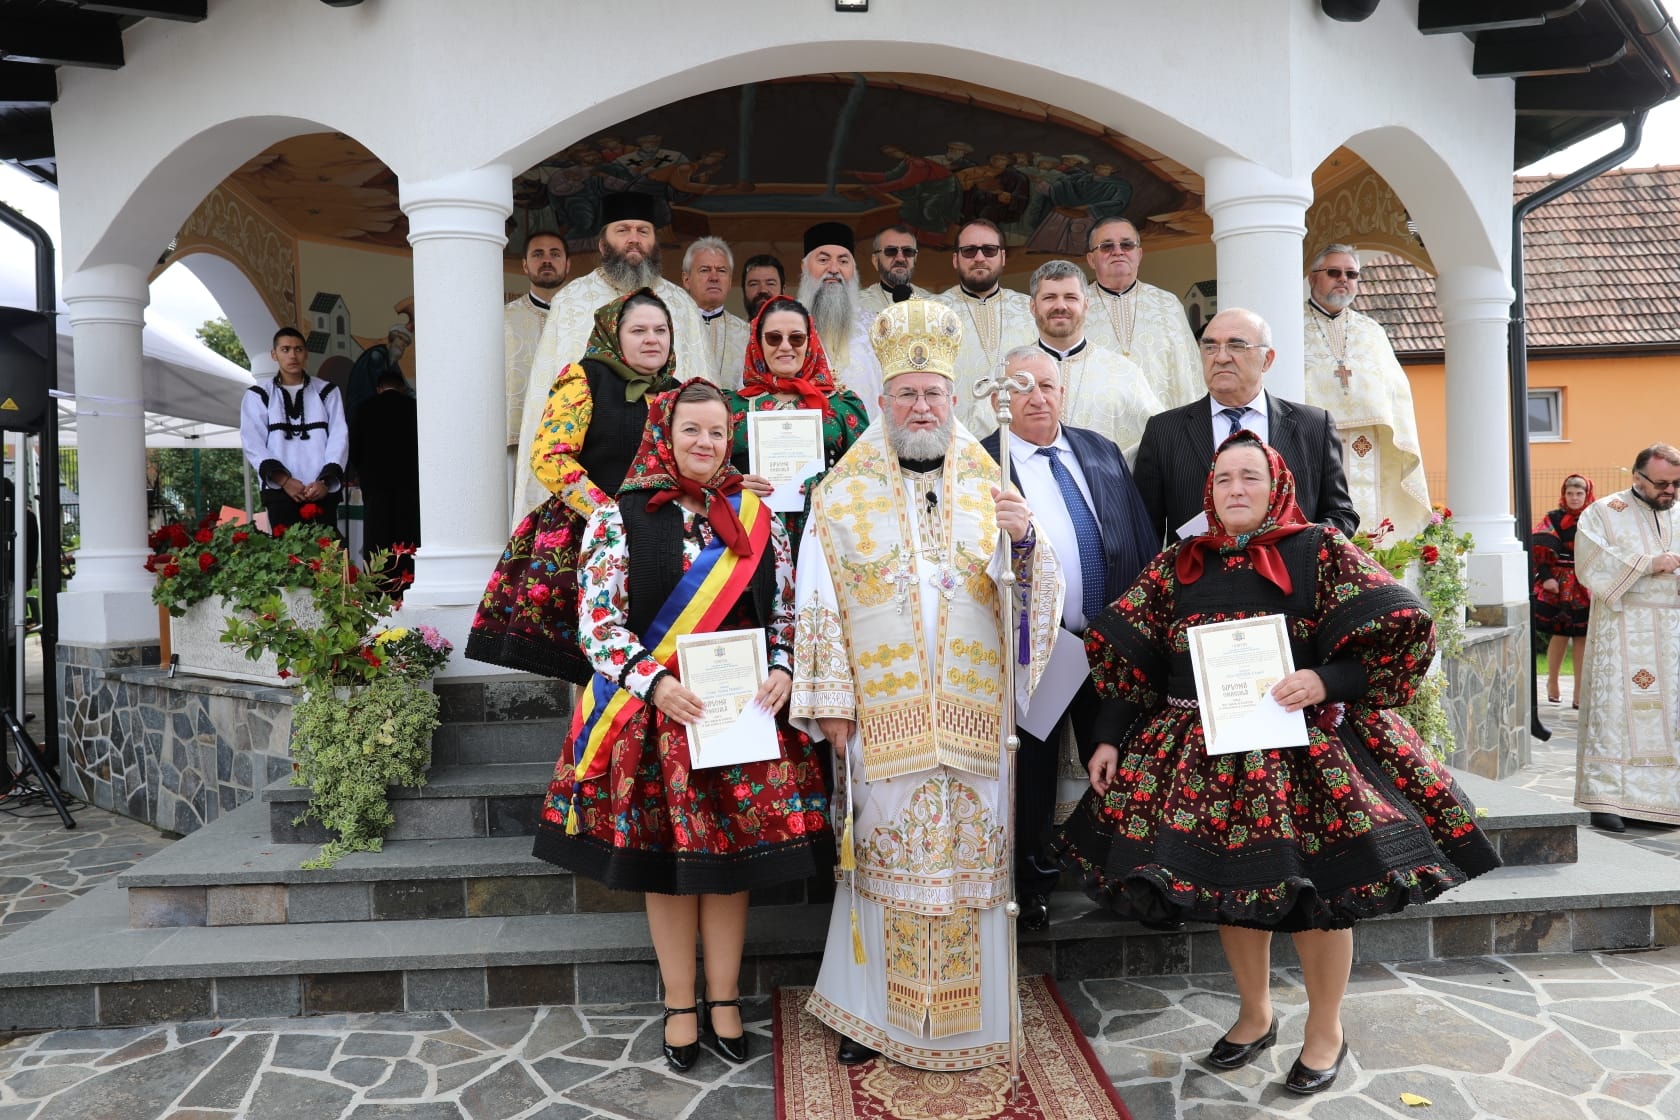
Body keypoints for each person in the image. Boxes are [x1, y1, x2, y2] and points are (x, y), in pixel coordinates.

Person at [1054, 431, 1499, 1095]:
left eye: (1249, 478)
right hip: (1204, 753)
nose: (1236, 489)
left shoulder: (1319, 549)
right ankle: (1256, 1014)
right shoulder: (1179, 562)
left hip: (1308, 750)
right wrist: (1110, 736)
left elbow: (1396, 634)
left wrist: (1325, 681)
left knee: (1318, 900)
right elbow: (1131, 661)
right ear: (1210, 491)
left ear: (1276, 487)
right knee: (1234, 890)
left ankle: (1325, 1030)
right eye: (1224, 479)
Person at [790, 299, 1066, 1071]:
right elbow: (815, 598)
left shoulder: (995, 482)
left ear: (953, 400)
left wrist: (1026, 541)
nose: (921, 406)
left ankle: (971, 1020)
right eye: (907, 393)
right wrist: (832, 706)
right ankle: (870, 1014)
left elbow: (1037, 599)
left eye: (933, 394)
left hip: (976, 720)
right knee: (882, 861)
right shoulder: (840, 495)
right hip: (884, 719)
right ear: (882, 402)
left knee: (969, 865)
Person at [532, 380, 832, 1073]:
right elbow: (597, 625)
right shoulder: (619, 515)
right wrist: (656, 682)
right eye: (691, 431)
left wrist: (784, 666)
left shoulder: (757, 517)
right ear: (665, 435)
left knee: (730, 866)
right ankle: (678, 1002)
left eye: (717, 433)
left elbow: (787, 611)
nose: (704, 444)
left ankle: (724, 999)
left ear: (732, 440)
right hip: (659, 720)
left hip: (742, 719)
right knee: (668, 870)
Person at [978, 346, 1158, 931]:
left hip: (1110, 639)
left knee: (1124, 762)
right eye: (1022, 387)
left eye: (1047, 385)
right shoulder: (983, 461)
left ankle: (1133, 880)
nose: (1037, 397)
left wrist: (1142, 622)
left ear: (1063, 390)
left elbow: (1133, 531)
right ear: (1001, 395)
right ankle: (1031, 887)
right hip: (1036, 647)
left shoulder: (1099, 450)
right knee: (1031, 771)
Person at [467, 290, 681, 683]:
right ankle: (584, 744)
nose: (652, 338)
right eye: (638, 330)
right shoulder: (584, 377)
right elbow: (550, 456)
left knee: (655, 655)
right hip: (592, 535)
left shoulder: (678, 392)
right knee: (597, 660)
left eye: (660, 329)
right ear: (615, 336)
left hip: (660, 536)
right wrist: (608, 512)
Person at [512, 192, 707, 517]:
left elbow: (701, 388)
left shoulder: (681, 304)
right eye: (623, 230)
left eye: (643, 231)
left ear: (655, 241)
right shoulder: (572, 299)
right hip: (592, 473)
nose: (634, 239)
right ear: (603, 243)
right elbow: (546, 397)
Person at [1133, 307, 1359, 545]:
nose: (1220, 357)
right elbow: (1144, 528)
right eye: (1210, 347)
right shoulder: (1164, 431)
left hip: (1289, 578)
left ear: (1267, 359)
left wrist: (1301, 549)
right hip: (1199, 578)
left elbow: (1340, 514)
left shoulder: (1313, 425)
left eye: (1236, 346)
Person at [1573, 443, 1680, 834]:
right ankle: (1607, 800)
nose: (1670, 492)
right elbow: (1589, 560)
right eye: (1662, 484)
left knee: (1668, 718)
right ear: (1637, 477)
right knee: (1615, 713)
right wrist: (1648, 565)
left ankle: (1655, 804)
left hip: (1671, 635)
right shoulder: (1605, 513)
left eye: (1676, 484)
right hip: (1620, 629)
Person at [1302, 244, 1431, 540]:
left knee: (1374, 528)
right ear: (1312, 278)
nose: (1343, 279)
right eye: (1333, 272)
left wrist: (1402, 439)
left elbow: (1397, 393)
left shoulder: (1372, 331)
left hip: (1368, 445)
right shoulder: (1292, 327)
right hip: (1315, 442)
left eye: (1352, 274)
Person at [724, 295, 870, 554]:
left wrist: (831, 483)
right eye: (773, 337)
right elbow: (702, 471)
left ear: (810, 341)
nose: (785, 346)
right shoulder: (730, 408)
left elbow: (868, 473)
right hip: (750, 533)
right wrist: (733, 483)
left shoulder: (842, 406)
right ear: (758, 343)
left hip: (826, 537)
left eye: (796, 338)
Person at [1023, 259, 1162, 458]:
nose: (1060, 306)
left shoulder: (1124, 372)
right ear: (1033, 307)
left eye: (1070, 297)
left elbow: (1156, 440)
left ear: (1086, 305)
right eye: (1049, 297)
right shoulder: (1010, 373)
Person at [1082, 217, 1203, 409]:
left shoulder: (1167, 304)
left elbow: (1188, 370)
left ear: (1139, 254)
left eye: (1127, 245)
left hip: (1161, 423)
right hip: (1097, 425)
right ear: (1091, 259)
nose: (1118, 251)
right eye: (1106, 246)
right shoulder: (1075, 306)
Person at [240, 326, 349, 531]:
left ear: (306, 354)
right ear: (274, 354)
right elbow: (252, 442)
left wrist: (324, 482)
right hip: (280, 492)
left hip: (321, 490)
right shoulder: (258, 395)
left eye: (298, 349)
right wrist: (284, 481)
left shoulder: (326, 391)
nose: (292, 355)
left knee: (326, 557)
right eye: (285, 349)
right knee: (288, 558)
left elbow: (339, 437)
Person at [937, 219, 1036, 437]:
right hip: (956, 439)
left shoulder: (1031, 310)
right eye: (969, 251)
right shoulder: (932, 313)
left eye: (989, 250)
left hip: (1024, 437)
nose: (979, 258)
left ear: (1002, 257)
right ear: (955, 259)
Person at [505, 232, 570, 517]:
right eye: (538, 254)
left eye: (555, 254)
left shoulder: (586, 317)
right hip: (519, 442)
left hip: (575, 439)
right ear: (524, 265)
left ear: (568, 264)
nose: (546, 260)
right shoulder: (503, 319)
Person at [795, 222, 885, 417]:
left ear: (854, 269)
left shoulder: (878, 327)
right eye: (823, 260)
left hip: (866, 442)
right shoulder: (783, 324)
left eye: (843, 261)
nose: (834, 269)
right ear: (804, 266)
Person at [349, 367, 421, 594]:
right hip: (409, 485)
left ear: (379, 388)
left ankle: (376, 591)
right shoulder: (415, 408)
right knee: (407, 536)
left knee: (377, 539)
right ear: (402, 388)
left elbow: (355, 449)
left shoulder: (365, 409)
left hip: (376, 486)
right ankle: (407, 585)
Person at [1531, 474, 1595, 707]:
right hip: (1557, 583)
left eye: (1579, 493)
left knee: (1582, 636)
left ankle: (1579, 692)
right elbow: (1540, 548)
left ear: (1587, 495)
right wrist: (1547, 577)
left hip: (1585, 582)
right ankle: (1553, 682)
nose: (1574, 498)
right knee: (1560, 633)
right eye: (1570, 493)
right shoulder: (1553, 518)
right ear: (1564, 495)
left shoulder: (1594, 518)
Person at [682, 236, 750, 391]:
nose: (714, 277)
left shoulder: (747, 334)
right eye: (705, 270)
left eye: (721, 271)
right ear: (686, 279)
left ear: (730, 281)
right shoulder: (669, 326)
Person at [345, 324, 413, 426]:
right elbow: (380, 389)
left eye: (405, 343)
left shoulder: (392, 362)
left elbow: (403, 386)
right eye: (400, 339)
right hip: (360, 413)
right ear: (392, 338)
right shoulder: (376, 356)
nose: (403, 344)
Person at [858, 223, 932, 315]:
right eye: (891, 251)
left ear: (915, 258)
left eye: (908, 251)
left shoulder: (932, 303)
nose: (900, 258)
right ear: (875, 260)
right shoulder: (858, 305)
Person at [740, 253, 785, 320]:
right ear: (744, 291)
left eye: (770, 283)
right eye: (754, 284)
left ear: (783, 290)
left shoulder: (800, 328)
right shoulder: (733, 330)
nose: (762, 290)